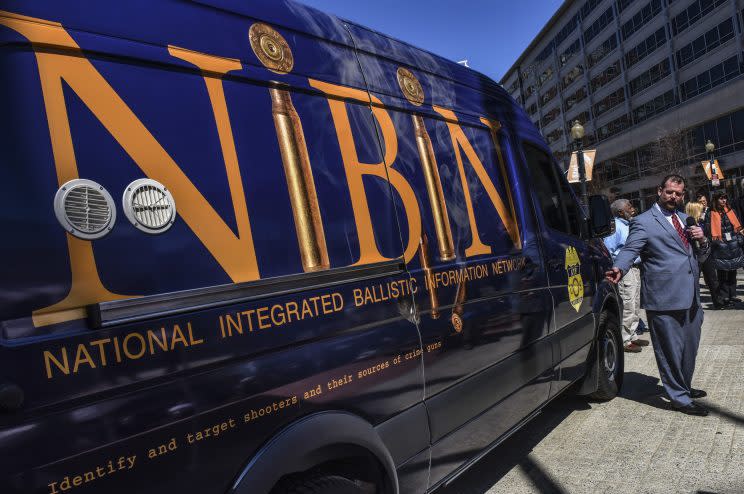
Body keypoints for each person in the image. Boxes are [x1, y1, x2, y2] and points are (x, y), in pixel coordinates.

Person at [606, 175, 710, 416]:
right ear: (660, 191)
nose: (674, 197)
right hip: (664, 297)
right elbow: (630, 249)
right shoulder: (643, 221)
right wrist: (619, 268)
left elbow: (700, 256)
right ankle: (679, 399)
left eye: (679, 193)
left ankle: (682, 386)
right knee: (670, 350)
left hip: (691, 296)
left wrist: (702, 239)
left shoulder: (686, 219)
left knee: (689, 348)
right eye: (670, 192)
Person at [603, 199, 649, 353]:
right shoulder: (615, 227)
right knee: (628, 304)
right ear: (620, 212)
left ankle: (633, 334)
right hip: (624, 270)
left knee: (635, 303)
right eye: (629, 206)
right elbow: (609, 250)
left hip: (635, 268)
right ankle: (624, 339)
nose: (633, 208)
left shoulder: (629, 225)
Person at [704, 190, 744, 307]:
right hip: (720, 246)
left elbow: (738, 227)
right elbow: (708, 230)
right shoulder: (711, 213)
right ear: (716, 200)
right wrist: (716, 243)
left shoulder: (731, 210)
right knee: (722, 273)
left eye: (725, 198)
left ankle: (733, 295)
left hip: (733, 245)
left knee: (733, 271)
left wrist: (739, 240)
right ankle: (724, 296)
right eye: (721, 198)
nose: (724, 200)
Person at [687, 200, 721, 308]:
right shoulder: (687, 224)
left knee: (713, 279)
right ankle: (694, 304)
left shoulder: (704, 222)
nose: (703, 213)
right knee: (694, 281)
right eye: (700, 211)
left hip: (707, 254)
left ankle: (718, 301)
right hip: (694, 256)